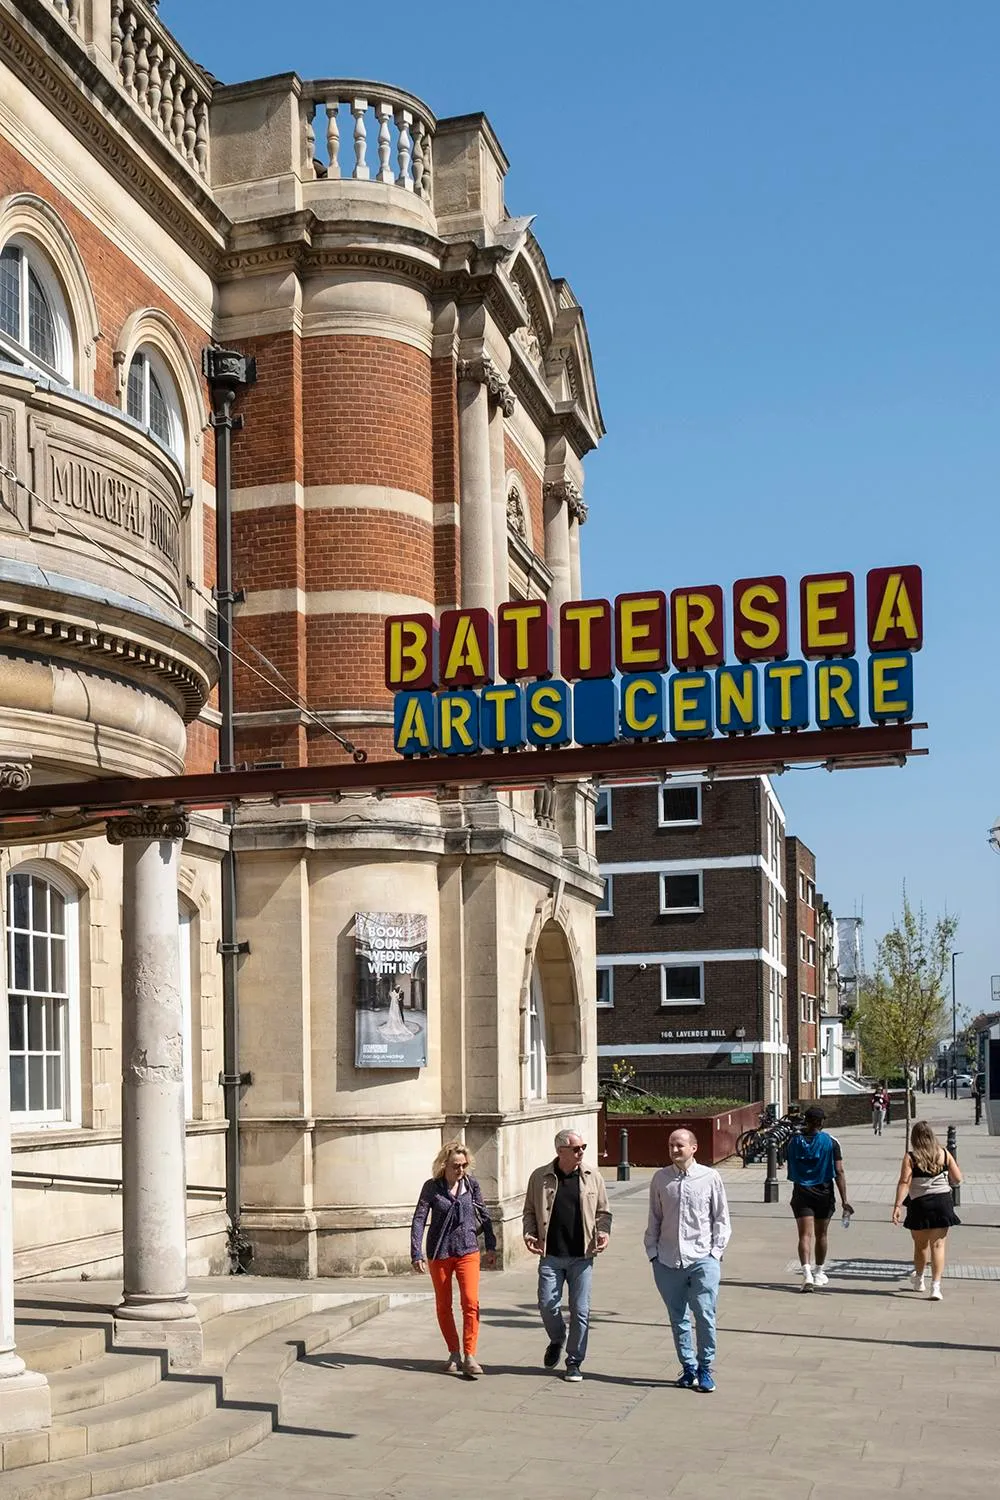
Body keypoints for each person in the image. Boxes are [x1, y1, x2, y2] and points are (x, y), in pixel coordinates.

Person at [645, 1127, 731, 1394]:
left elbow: (721, 1219)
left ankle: (706, 1367)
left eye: (679, 1145)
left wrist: (715, 1254)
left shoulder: (710, 1177)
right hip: (667, 1260)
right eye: (671, 1145)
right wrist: (653, 1254)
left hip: (702, 1258)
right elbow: (655, 1218)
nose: (674, 1150)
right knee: (678, 1317)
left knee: (704, 1314)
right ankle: (689, 1367)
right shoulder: (661, 1179)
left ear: (694, 1148)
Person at [522, 1128, 612, 1382]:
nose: (581, 1151)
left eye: (583, 1147)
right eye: (576, 1148)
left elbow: (604, 1212)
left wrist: (603, 1232)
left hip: (582, 1256)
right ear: (560, 1151)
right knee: (547, 1304)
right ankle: (557, 1338)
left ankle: (574, 1361)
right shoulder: (540, 1177)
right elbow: (529, 1211)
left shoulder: (593, 1176)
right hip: (550, 1254)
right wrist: (529, 1234)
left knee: (581, 1310)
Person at [410, 1140, 496, 1377]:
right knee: (443, 1305)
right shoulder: (432, 1187)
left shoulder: (471, 1185)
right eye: (456, 1166)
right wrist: (416, 1252)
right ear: (444, 1165)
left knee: (470, 1302)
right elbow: (419, 1219)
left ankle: (470, 1354)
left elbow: (484, 1215)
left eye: (464, 1165)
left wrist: (491, 1246)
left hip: (468, 1250)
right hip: (440, 1252)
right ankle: (453, 1352)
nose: (460, 1170)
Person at [785, 1105, 853, 1291]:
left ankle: (806, 1273)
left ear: (805, 1120)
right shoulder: (831, 1142)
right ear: (822, 1122)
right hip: (824, 1192)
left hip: (801, 1192)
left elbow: (789, 1161)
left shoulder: (794, 1141)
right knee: (821, 1234)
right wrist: (844, 1200)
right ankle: (819, 1271)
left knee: (804, 1235)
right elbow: (839, 1170)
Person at [892, 1120, 962, 1300]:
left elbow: (904, 1182)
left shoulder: (911, 1157)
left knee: (920, 1246)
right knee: (938, 1246)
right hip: (942, 1203)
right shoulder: (945, 1154)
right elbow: (958, 1179)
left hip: (919, 1205)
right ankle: (936, 1287)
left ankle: (920, 1280)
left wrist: (897, 1206)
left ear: (914, 1138)